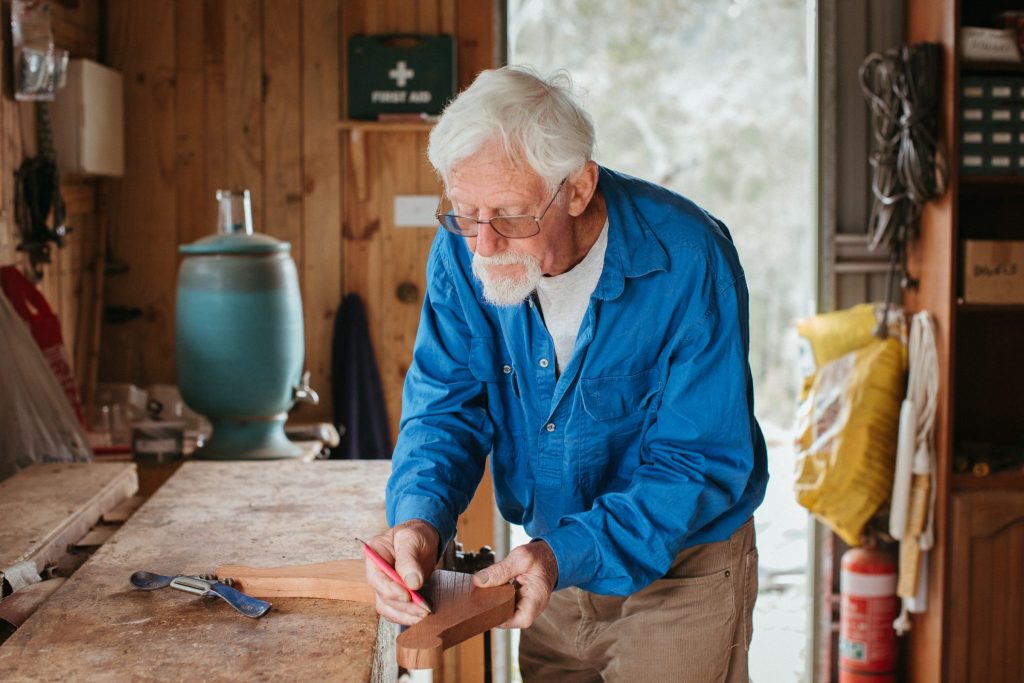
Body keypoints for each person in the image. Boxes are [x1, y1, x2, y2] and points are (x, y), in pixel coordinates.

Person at [364, 65, 768, 682]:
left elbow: (697, 461)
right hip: (545, 567)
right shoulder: (463, 250)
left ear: (578, 188)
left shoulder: (687, 259)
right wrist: (418, 522)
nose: (483, 245)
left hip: (679, 571)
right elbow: (447, 408)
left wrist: (560, 556)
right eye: (465, 212)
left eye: (509, 215)